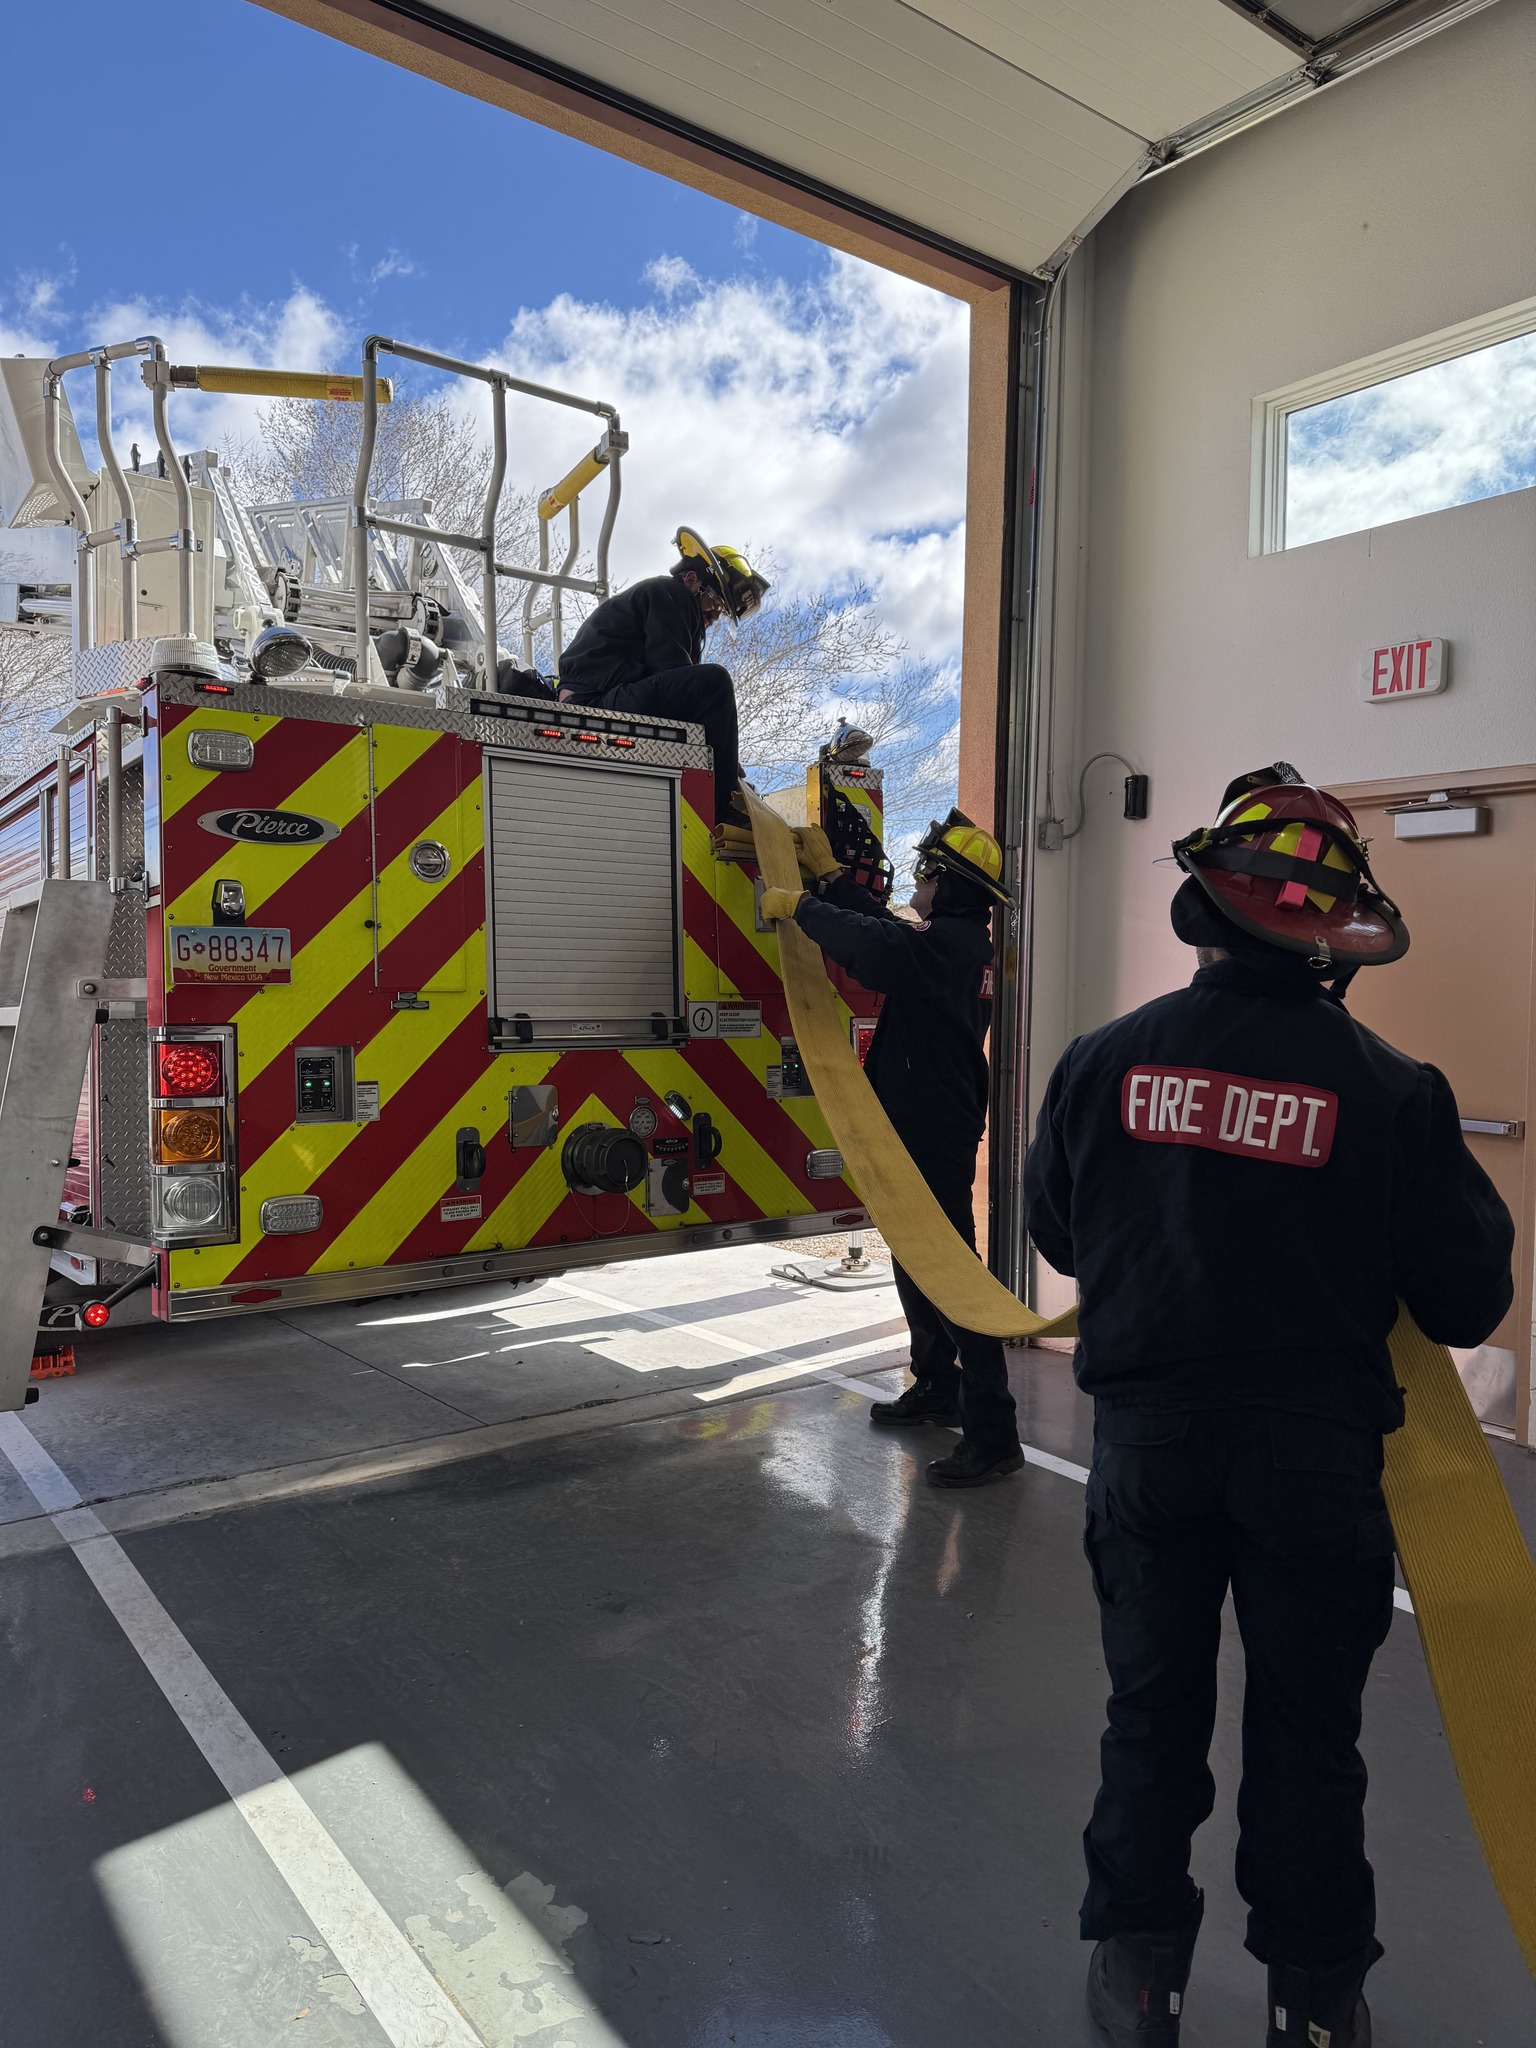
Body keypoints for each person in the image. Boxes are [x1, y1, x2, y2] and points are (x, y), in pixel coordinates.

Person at [1021, 763, 1514, 2047]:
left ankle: (1138, 1975)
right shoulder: (1397, 1090)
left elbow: (1058, 1236)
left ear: (1207, 911)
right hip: (1317, 1473)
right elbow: (1466, 1299)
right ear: (1328, 937)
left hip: (1145, 1457)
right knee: (1309, 1737)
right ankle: (1315, 1998)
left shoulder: (1100, 1061)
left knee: (1150, 1714)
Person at [759, 808, 1023, 1488]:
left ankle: (993, 1433)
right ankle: (938, 1383)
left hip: (934, 1121)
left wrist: (802, 906)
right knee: (915, 1253)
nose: (917, 881)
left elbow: (874, 949)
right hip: (930, 1114)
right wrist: (828, 876)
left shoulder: (953, 947)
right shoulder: (956, 940)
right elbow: (886, 931)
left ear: (952, 886)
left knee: (952, 1269)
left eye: (928, 873)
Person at [556, 527, 768, 823]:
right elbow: (674, 675)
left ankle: (725, 787)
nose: (715, 615)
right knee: (714, 682)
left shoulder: (667, 606)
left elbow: (675, 692)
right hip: (596, 701)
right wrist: (728, 776)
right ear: (693, 579)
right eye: (715, 603)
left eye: (721, 610)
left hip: (599, 696)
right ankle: (724, 806)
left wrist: (729, 761)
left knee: (705, 692)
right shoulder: (670, 593)